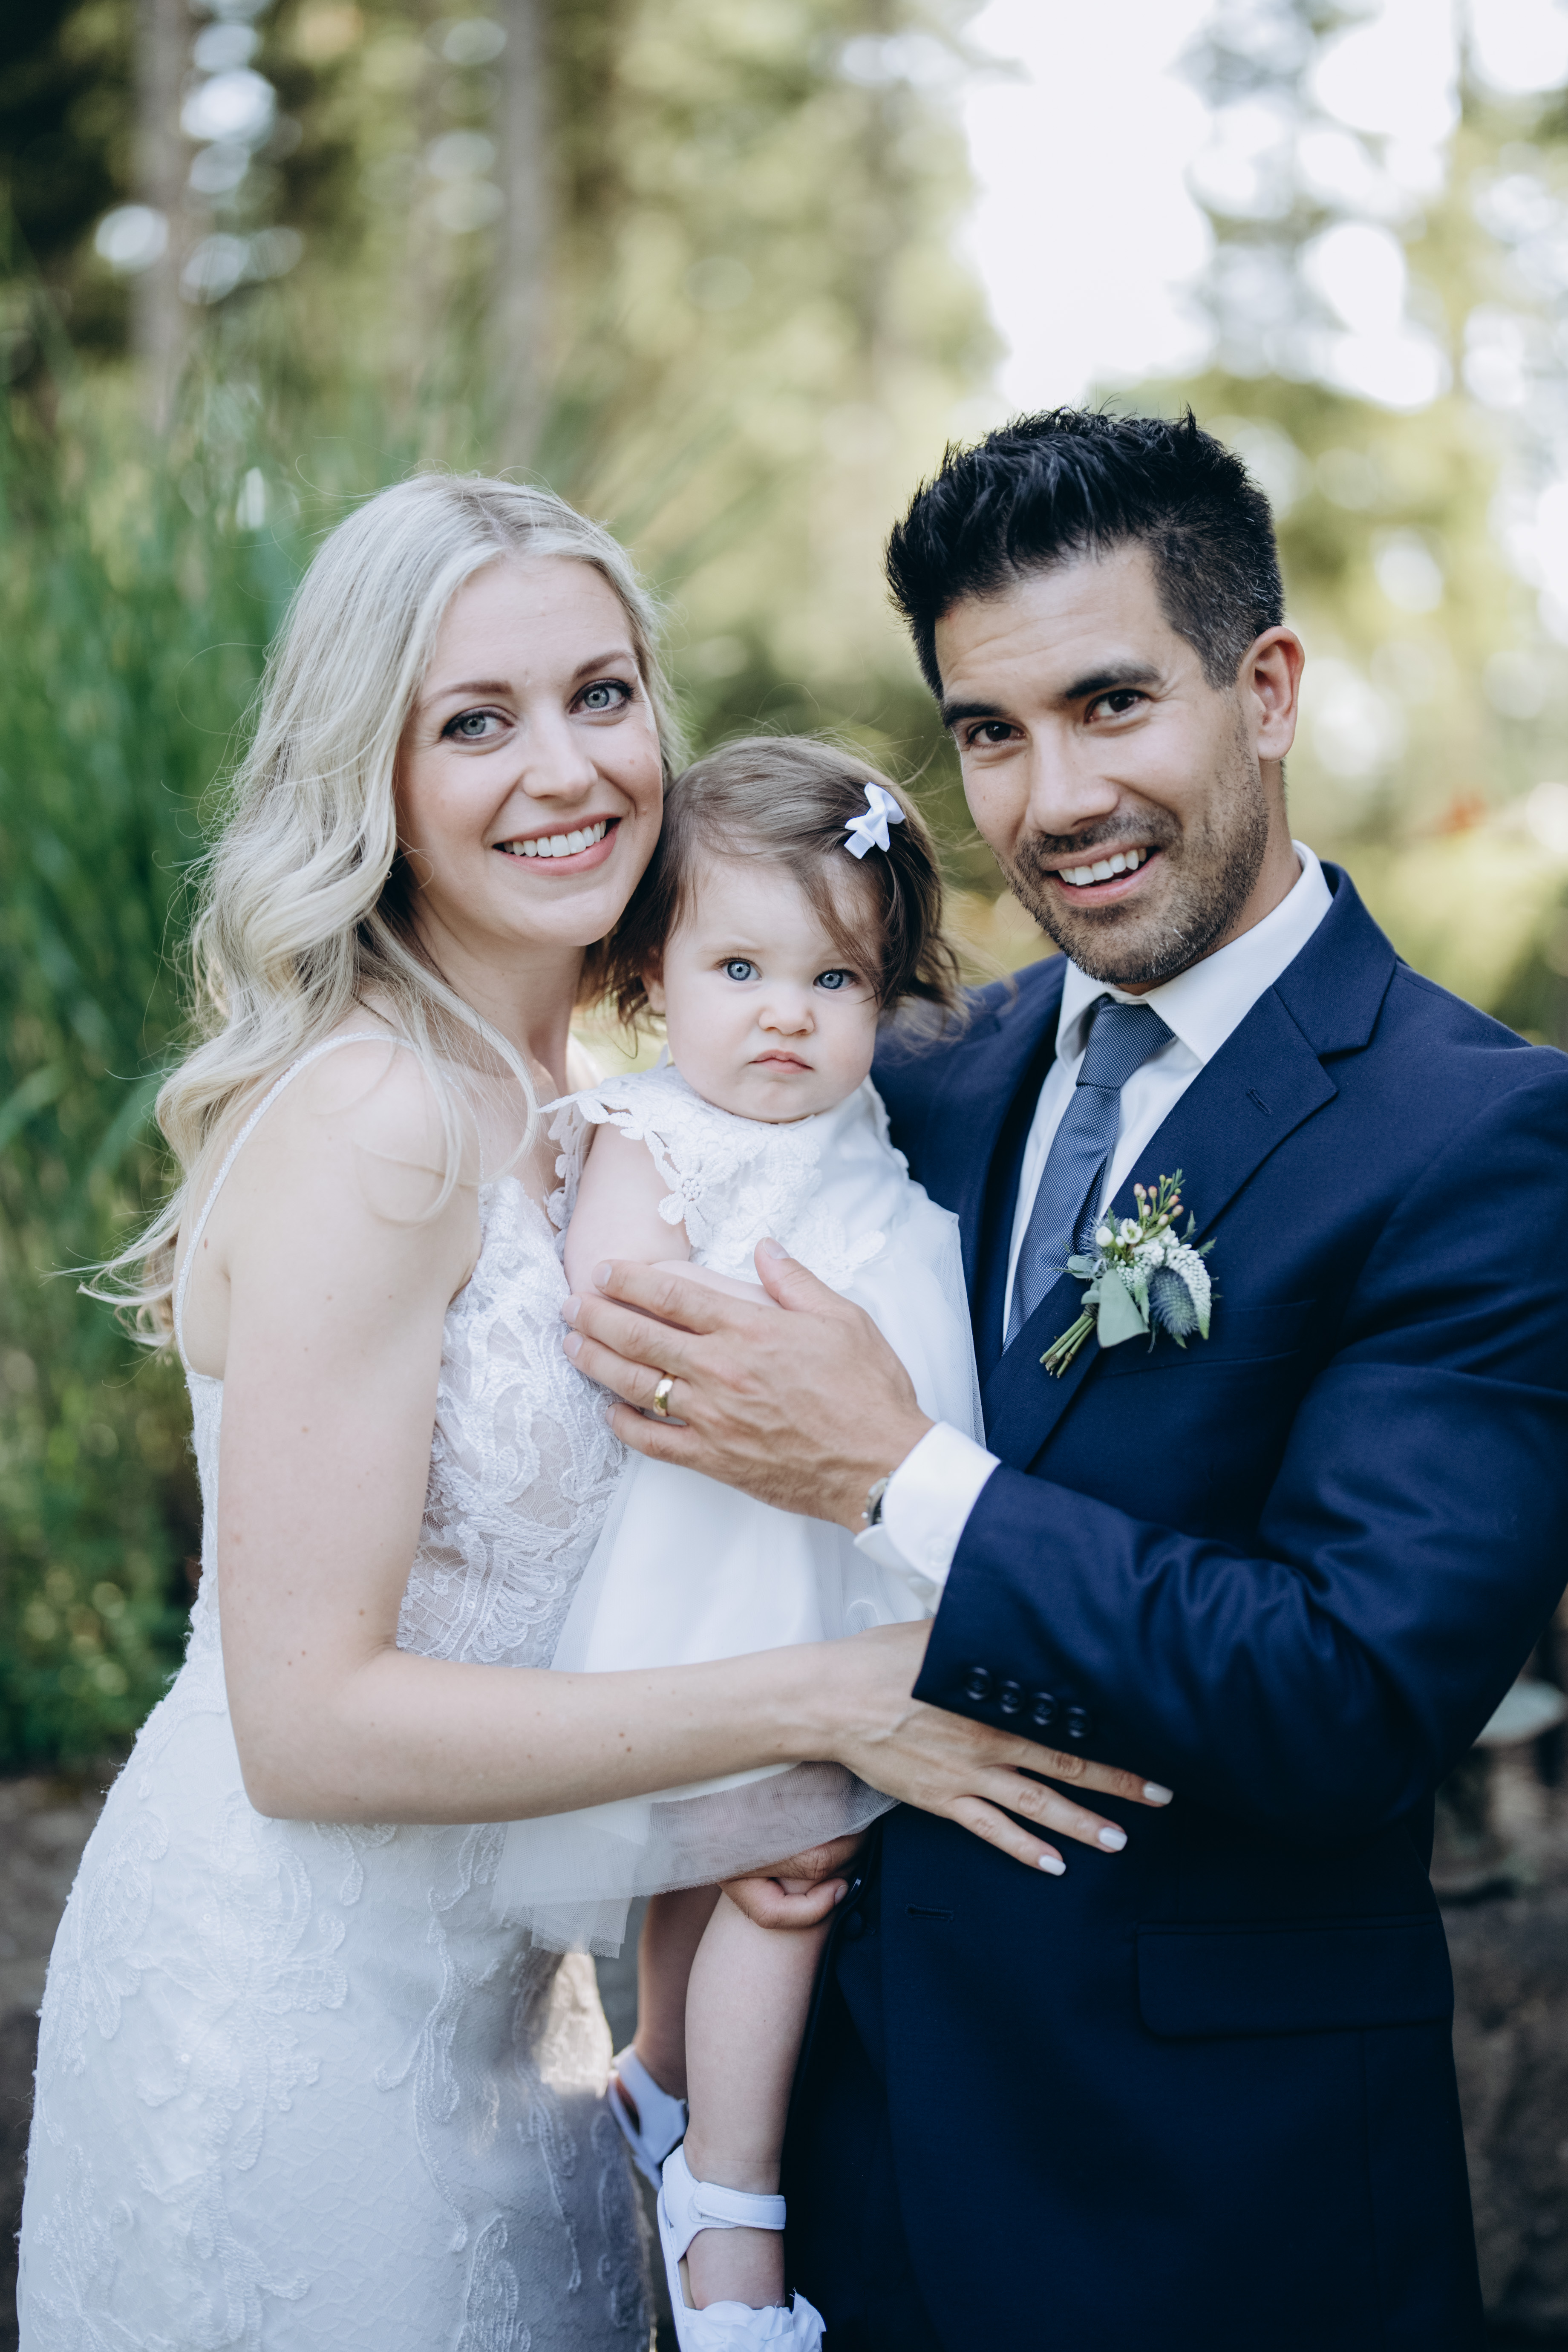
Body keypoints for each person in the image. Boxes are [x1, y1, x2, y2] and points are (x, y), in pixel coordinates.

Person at [17, 471, 1153, 2352]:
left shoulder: (616, 1097)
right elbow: (306, 1726)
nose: (566, 770)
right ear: (370, 775)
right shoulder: (378, 1118)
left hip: (518, 2016)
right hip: (302, 2028)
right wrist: (827, 1703)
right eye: (476, 722)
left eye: (602, 695)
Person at [560, 410, 1568, 2352]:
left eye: (1111, 704)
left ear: (1265, 691)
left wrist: (896, 1473)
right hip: (839, 2172)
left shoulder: (1482, 1138)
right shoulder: (909, 1068)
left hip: (1205, 2212)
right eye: (991, 731)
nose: (1056, 797)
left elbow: (1353, 1698)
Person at [495, 735, 999, 2349]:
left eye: (834, 980)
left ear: (885, 996)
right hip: (718, 1573)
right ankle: (734, 2206)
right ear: (652, 974)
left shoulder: (859, 1126)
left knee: (723, 1867)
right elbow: (616, 1310)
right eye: (740, 970)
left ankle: (657, 2080)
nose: (788, 1015)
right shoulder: (655, 1134)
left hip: (832, 1559)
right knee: (784, 1875)